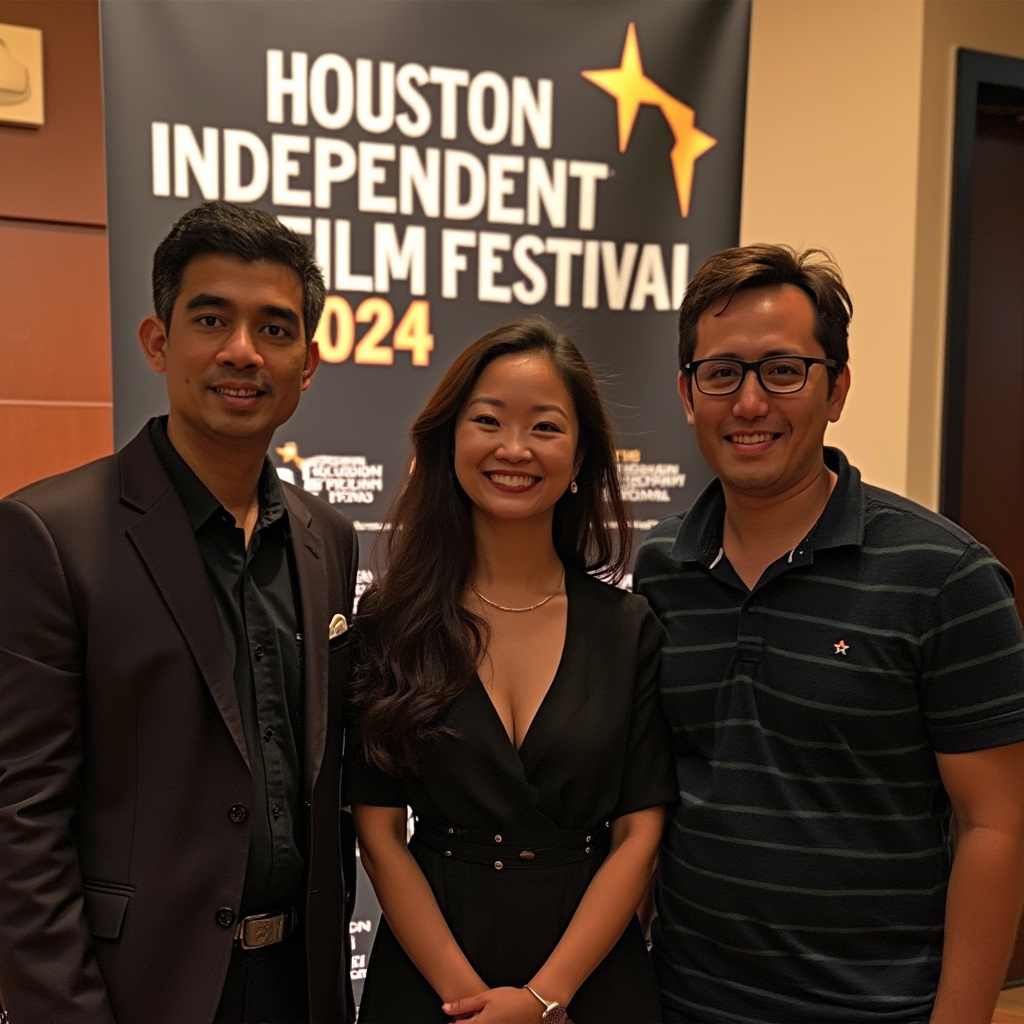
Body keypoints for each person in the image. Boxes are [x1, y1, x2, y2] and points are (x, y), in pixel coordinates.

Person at [633, 243, 1024, 1024]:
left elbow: (996, 825)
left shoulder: (947, 579)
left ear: (836, 387)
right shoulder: (659, 573)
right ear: (687, 393)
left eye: (783, 370)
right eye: (722, 373)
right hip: (682, 1004)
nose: (749, 403)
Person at [0, 201, 358, 1024]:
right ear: (158, 343)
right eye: (211, 319)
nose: (243, 351)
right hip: (138, 993)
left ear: (306, 363)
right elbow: (20, 825)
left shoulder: (327, 540)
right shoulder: (52, 536)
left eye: (275, 329)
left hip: (300, 988)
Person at [346, 316, 675, 1024]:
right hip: (430, 981)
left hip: (590, 981)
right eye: (488, 420)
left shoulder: (628, 629)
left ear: (582, 453)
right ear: (450, 440)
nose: (514, 449)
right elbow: (378, 832)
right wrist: (466, 998)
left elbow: (639, 835)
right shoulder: (389, 624)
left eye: (547, 427)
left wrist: (542, 999)